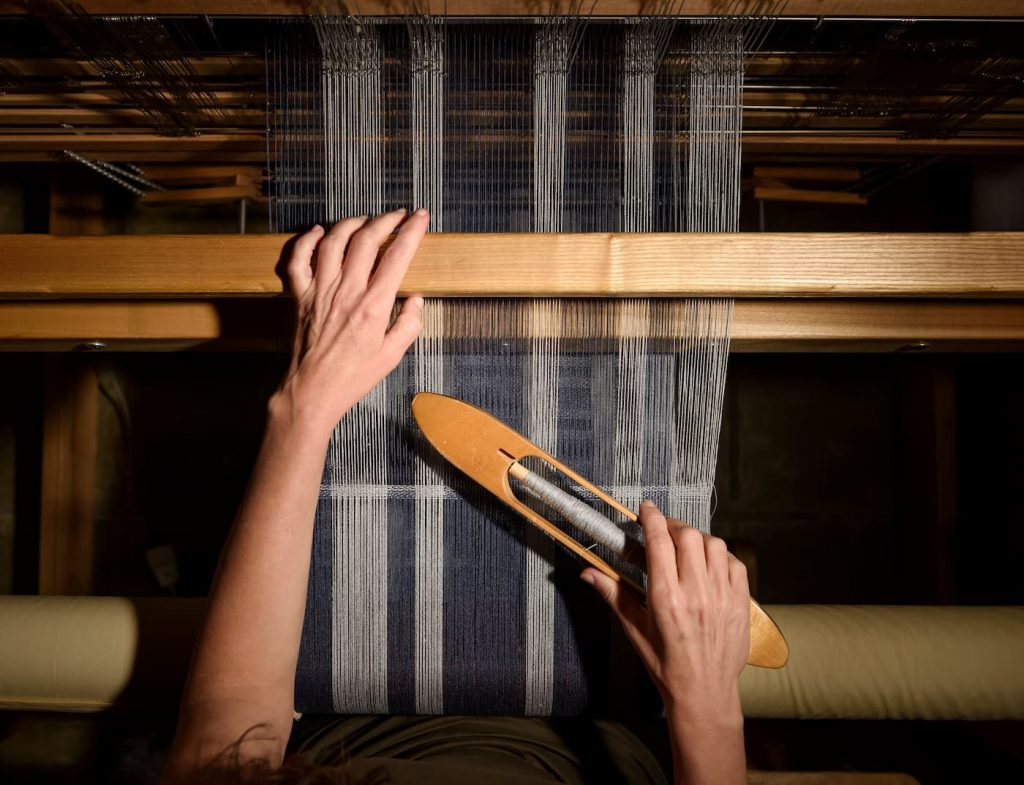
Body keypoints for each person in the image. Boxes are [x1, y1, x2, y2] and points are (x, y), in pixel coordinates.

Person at [160, 210, 752, 785]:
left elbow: (230, 732)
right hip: (612, 744)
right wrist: (708, 704)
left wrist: (306, 404)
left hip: (354, 733)